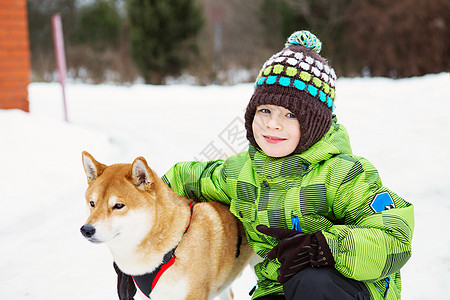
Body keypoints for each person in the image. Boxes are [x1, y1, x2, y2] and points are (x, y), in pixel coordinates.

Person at [116, 30, 414, 300]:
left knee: (312, 282)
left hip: (350, 288)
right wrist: (144, 255)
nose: (273, 124)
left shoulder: (345, 173)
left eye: (290, 115)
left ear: (313, 123)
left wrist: (325, 247)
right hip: (278, 287)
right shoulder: (239, 173)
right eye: (265, 110)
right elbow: (173, 182)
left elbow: (395, 237)